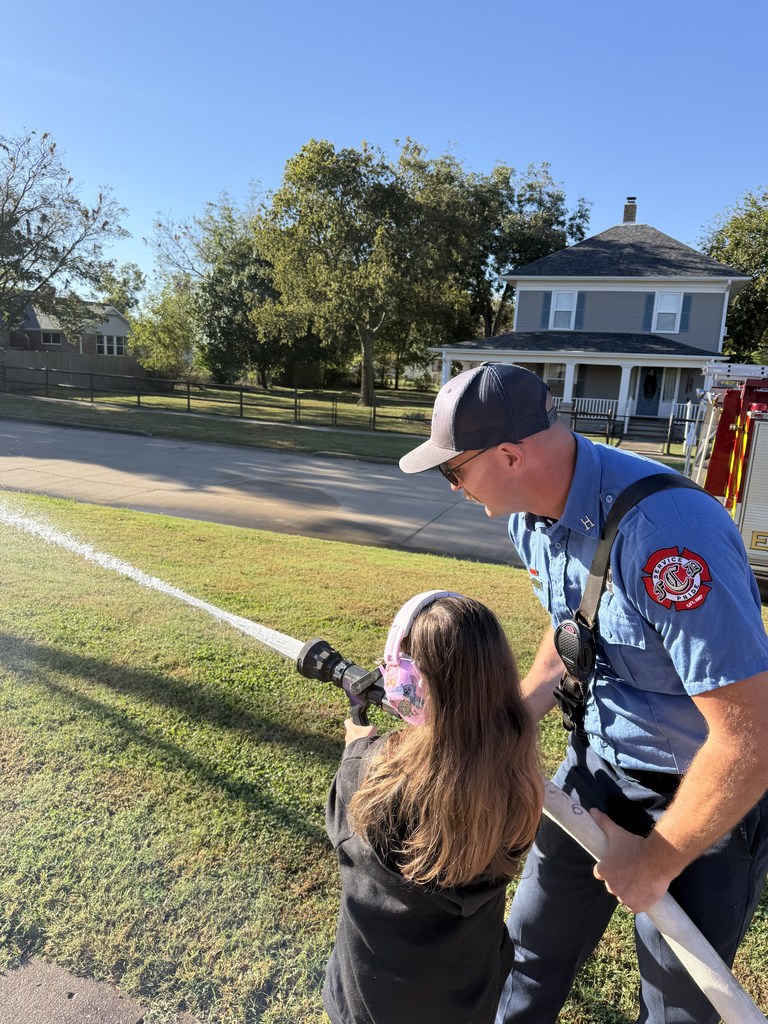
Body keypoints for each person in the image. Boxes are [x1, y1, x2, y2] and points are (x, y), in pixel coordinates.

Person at [398, 362, 768, 1024]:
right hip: (594, 772)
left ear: (510, 455)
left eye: (454, 471)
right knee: (527, 955)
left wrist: (655, 860)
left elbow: (751, 737)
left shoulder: (668, 535)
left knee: (678, 1002)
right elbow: (575, 625)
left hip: (697, 799)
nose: (454, 488)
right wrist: (502, 723)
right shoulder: (527, 516)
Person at [323, 590, 543, 1024]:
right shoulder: (520, 783)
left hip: (372, 999)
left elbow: (341, 828)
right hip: (468, 996)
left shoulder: (373, 774)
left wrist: (355, 751)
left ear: (408, 681)